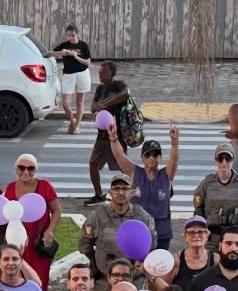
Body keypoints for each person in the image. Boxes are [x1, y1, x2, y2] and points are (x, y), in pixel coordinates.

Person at [108, 124, 179, 250]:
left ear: (160, 158)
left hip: (161, 233)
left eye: (155, 154)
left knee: (158, 268)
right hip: (137, 231)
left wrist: (174, 143)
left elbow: (174, 160)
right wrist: (113, 137)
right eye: (147, 155)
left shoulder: (166, 175)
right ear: (142, 158)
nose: (151, 158)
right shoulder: (135, 172)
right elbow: (119, 156)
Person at [78, 173, 155, 285]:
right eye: (116, 189)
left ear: (132, 192)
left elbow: (151, 244)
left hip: (133, 280)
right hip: (105, 280)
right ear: (110, 193)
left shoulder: (143, 217)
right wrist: (95, 264)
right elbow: (84, 245)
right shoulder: (97, 217)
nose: (120, 192)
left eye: (125, 188)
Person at [3, 153, 61, 285]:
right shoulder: (10, 187)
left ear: (36, 170)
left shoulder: (44, 186)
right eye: (21, 168)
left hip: (39, 242)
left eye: (31, 168)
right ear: (15, 169)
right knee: (17, 277)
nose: (26, 172)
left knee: (39, 279)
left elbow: (56, 210)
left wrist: (50, 231)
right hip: (17, 242)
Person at [193, 145, 238, 241]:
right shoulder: (207, 183)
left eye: (228, 159)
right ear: (216, 161)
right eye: (220, 159)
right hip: (211, 236)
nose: (224, 163)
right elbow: (198, 209)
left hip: (235, 237)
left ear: (233, 160)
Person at [86, 62, 129, 205]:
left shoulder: (119, 86)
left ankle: (130, 194)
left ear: (111, 74)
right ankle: (98, 195)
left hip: (117, 135)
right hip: (102, 135)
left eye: (103, 72)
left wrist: (105, 103)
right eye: (99, 72)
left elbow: (124, 95)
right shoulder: (99, 89)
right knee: (93, 163)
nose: (100, 74)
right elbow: (93, 107)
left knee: (124, 167)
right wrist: (99, 105)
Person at [52, 24, 93, 132]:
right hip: (68, 75)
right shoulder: (64, 45)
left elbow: (88, 62)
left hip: (82, 73)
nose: (71, 37)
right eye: (69, 35)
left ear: (77, 34)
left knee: (80, 102)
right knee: (65, 102)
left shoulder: (83, 45)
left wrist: (76, 56)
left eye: (73, 35)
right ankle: (72, 120)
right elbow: (49, 53)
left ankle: (77, 126)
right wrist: (63, 52)